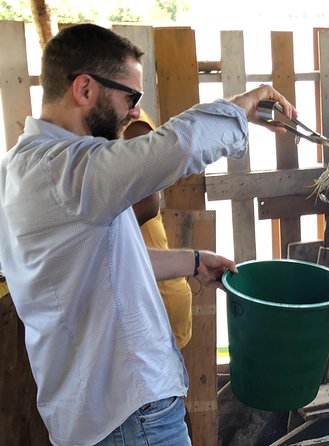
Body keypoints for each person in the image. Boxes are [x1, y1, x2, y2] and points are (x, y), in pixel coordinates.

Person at [0, 23, 296, 446]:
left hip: (96, 415)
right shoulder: (64, 172)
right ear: (84, 89)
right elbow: (172, 148)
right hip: (130, 419)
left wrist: (192, 260)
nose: (135, 112)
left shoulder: (23, 166)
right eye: (130, 96)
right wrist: (240, 106)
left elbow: (101, 261)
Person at [124, 111, 194, 350]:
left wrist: (85, 236)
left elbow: (146, 203)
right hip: (142, 291)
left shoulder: (131, 123)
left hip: (154, 295)